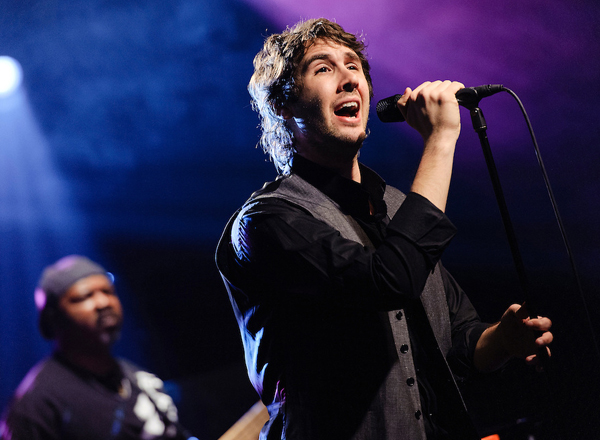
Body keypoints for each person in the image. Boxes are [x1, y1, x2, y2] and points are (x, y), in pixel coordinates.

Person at [215, 17, 553, 440]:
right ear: (284, 104)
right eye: (323, 68)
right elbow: (386, 282)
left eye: (353, 66)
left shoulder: (396, 206)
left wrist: (500, 341)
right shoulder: (267, 222)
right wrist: (440, 141)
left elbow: (457, 344)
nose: (348, 79)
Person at [0, 255, 193, 440]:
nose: (103, 303)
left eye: (108, 292)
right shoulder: (39, 404)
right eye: (84, 297)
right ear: (53, 317)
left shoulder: (138, 377)